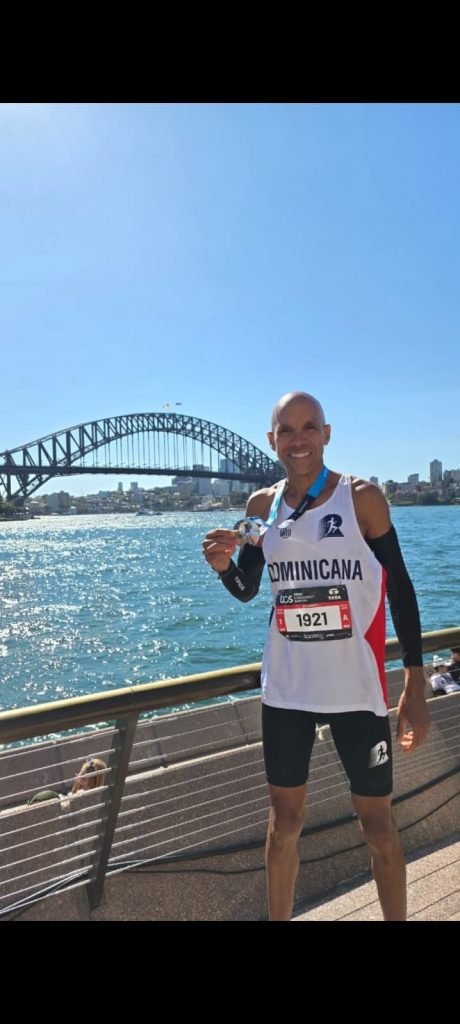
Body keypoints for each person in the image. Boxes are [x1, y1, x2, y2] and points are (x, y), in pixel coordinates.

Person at [202, 391, 430, 921]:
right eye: (287, 430)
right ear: (272, 440)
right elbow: (247, 589)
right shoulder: (261, 507)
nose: (298, 440)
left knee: (378, 827)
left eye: (309, 428)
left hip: (356, 690)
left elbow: (402, 593)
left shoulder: (362, 498)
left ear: (327, 434)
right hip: (287, 690)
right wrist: (221, 566)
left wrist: (414, 685)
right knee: (284, 825)